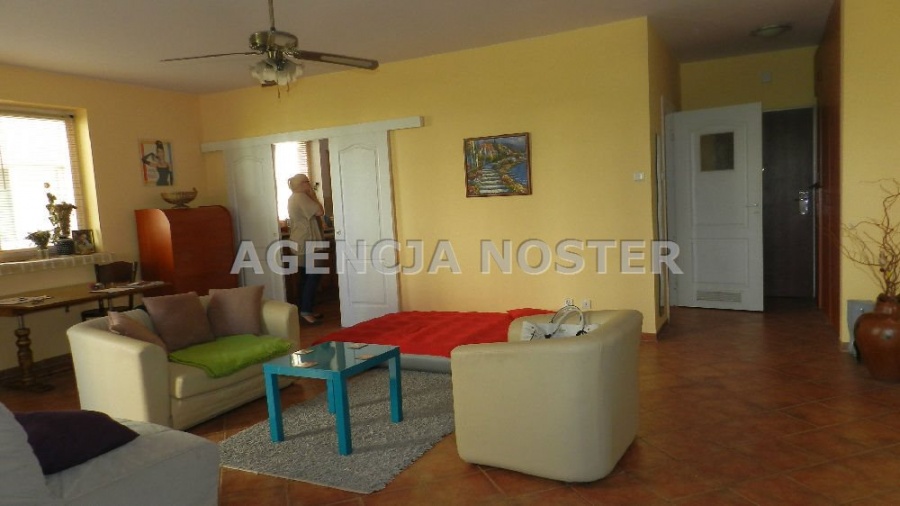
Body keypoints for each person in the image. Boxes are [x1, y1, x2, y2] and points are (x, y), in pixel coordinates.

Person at [287, 173, 325, 325]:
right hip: (308, 243)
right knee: (313, 276)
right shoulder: (301, 197)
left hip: (300, 242)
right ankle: (306, 311)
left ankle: (305, 308)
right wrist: (313, 195)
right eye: (307, 182)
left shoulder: (293, 198)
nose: (309, 185)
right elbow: (320, 211)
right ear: (302, 184)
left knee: (306, 277)